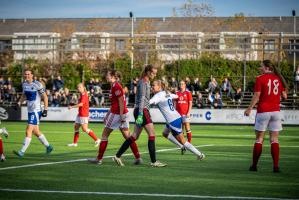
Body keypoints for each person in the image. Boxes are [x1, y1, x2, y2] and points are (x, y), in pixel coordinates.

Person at [112, 64, 166, 167]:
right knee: (152, 134)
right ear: (148, 72)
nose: (155, 75)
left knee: (134, 136)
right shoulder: (144, 82)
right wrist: (141, 114)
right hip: (142, 110)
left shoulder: (144, 81)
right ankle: (154, 161)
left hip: (140, 110)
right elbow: (142, 99)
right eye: (153, 73)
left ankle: (117, 156)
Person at [89, 70, 141, 165]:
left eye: (108, 75)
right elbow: (115, 103)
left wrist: (120, 115)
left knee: (104, 135)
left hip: (118, 114)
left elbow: (121, 102)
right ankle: (138, 157)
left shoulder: (116, 86)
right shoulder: (114, 86)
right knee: (128, 137)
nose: (106, 76)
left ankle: (99, 159)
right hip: (121, 113)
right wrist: (108, 115)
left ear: (113, 76)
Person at [244, 60, 287, 173]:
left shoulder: (260, 78)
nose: (260, 68)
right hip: (276, 112)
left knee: (259, 139)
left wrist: (249, 108)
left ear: (267, 67)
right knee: (274, 139)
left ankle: (254, 166)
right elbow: (285, 96)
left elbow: (257, 95)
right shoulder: (278, 78)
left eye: (261, 66)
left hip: (263, 111)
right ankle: (276, 166)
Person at [150, 80, 205, 160]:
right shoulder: (166, 93)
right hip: (175, 118)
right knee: (165, 133)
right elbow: (175, 96)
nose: (152, 87)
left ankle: (200, 155)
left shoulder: (158, 95)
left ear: (159, 86)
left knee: (183, 140)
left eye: (153, 85)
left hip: (173, 120)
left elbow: (150, 102)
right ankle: (181, 147)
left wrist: (141, 103)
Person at [13, 69, 53, 158]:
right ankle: (49, 146)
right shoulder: (24, 84)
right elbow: (24, 95)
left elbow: (45, 97)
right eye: (25, 74)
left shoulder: (37, 84)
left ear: (32, 75)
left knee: (28, 130)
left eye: (28, 74)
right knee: (36, 131)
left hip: (36, 111)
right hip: (30, 110)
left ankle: (21, 152)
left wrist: (45, 110)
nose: (26, 75)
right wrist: (19, 103)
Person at [67, 83, 101, 147]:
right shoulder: (81, 94)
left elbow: (81, 104)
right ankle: (75, 143)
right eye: (78, 87)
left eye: (80, 87)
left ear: (83, 87)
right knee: (76, 127)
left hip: (83, 114)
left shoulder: (84, 94)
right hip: (80, 113)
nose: (78, 88)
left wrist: (72, 107)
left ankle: (97, 140)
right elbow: (81, 103)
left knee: (85, 129)